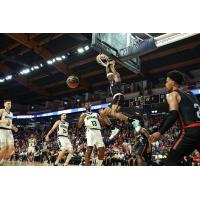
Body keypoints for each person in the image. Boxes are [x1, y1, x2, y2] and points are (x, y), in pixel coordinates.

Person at [149, 70, 200, 165]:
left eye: (167, 81)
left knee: (170, 162)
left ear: (173, 82)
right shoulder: (191, 94)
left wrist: (160, 132)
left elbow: (173, 115)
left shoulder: (173, 94)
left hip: (190, 132)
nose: (165, 84)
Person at [96, 54, 135, 139]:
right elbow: (108, 73)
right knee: (102, 114)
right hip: (115, 98)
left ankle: (133, 121)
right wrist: (106, 65)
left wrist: (112, 65)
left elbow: (113, 72)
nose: (108, 75)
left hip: (119, 97)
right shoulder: (111, 82)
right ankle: (113, 128)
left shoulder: (117, 79)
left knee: (113, 113)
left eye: (110, 75)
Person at [0, 100, 18, 164]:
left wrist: (14, 128)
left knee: (11, 149)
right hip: (2, 130)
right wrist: (3, 121)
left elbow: (10, 124)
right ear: (4, 104)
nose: (9, 105)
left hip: (9, 131)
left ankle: (2, 160)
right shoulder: (1, 111)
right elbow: (5, 122)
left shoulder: (11, 114)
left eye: (10, 104)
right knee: (4, 148)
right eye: (8, 104)